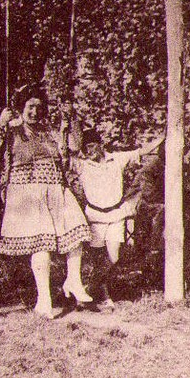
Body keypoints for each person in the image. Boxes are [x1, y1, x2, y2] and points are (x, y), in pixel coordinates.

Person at [0, 89, 92, 317]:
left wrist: (71, 119)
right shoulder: (11, 131)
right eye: (30, 107)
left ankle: (74, 281)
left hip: (55, 187)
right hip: (26, 191)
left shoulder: (50, 131)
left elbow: (74, 146)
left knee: (77, 233)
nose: (34, 111)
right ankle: (44, 301)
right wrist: (0, 123)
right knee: (42, 245)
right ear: (21, 109)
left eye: (38, 107)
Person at [74, 127, 161, 308]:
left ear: (100, 144)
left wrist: (165, 135)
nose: (89, 151)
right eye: (85, 148)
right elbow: (63, 153)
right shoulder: (81, 165)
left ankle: (90, 289)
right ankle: (104, 297)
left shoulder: (117, 159)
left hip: (115, 214)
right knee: (99, 260)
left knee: (113, 257)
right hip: (95, 217)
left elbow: (143, 150)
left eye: (91, 146)